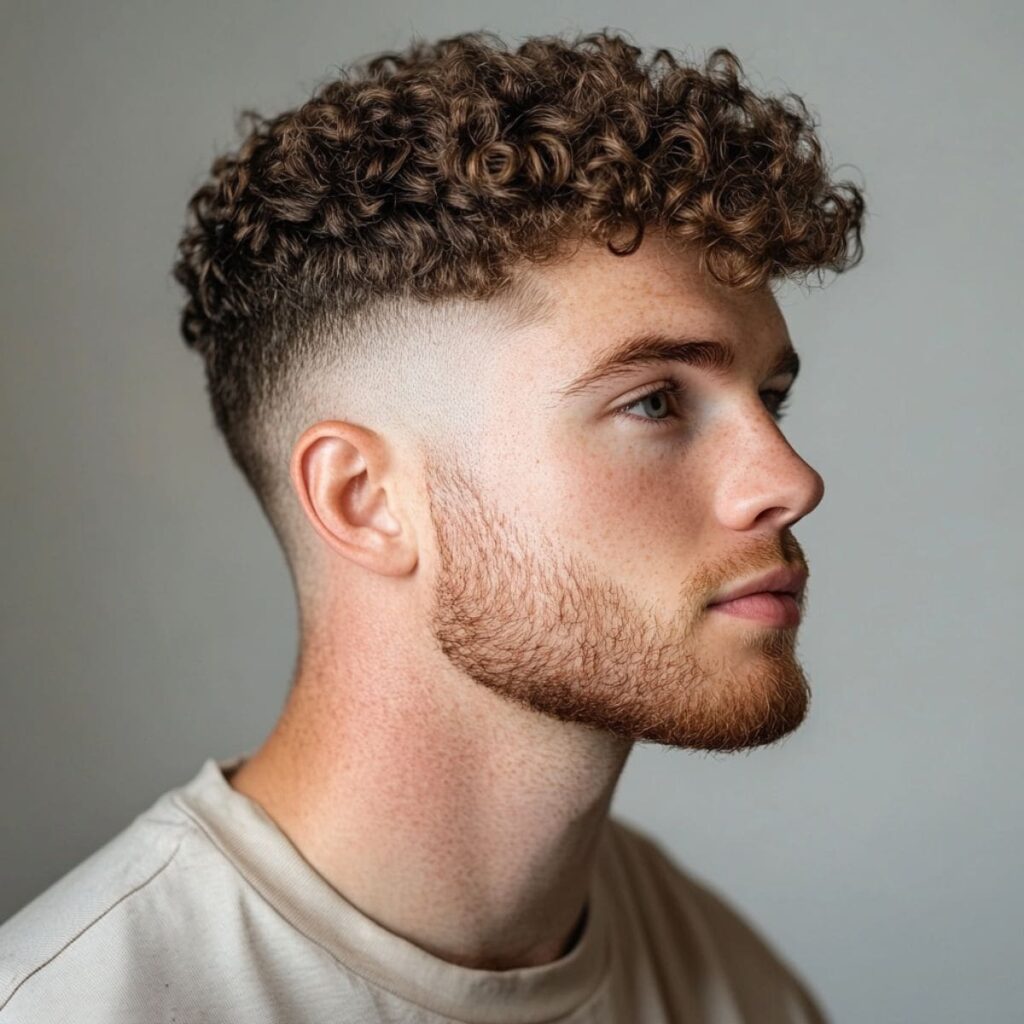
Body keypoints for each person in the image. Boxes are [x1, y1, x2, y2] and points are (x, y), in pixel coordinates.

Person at [0, 29, 865, 1023]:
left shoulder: (731, 984)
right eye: (655, 402)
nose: (789, 480)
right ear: (364, 500)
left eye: (771, 400)